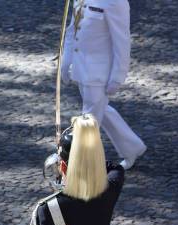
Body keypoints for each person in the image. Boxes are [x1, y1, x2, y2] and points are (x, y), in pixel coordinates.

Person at [61, 0, 146, 170]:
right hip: (80, 68)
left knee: (89, 121)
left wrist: (117, 76)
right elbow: (72, 30)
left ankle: (80, 167)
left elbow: (122, 42)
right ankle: (132, 148)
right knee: (102, 110)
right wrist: (66, 61)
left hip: (99, 74)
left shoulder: (116, 2)